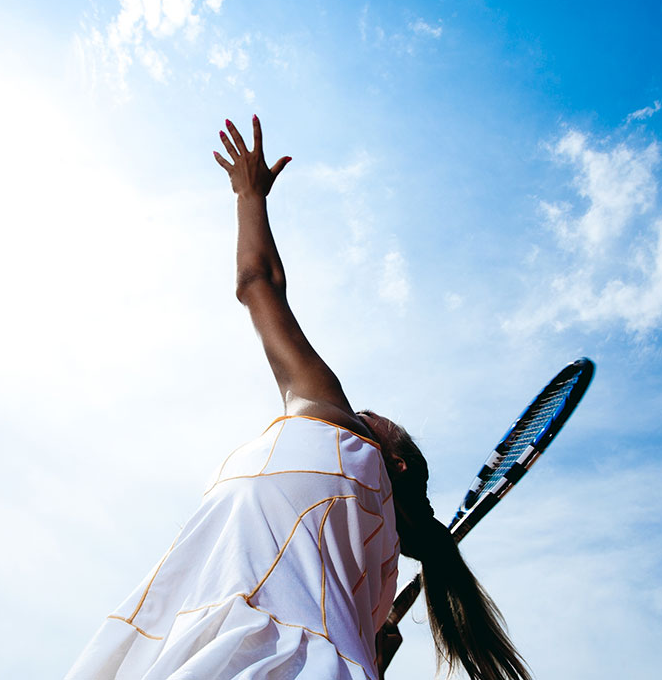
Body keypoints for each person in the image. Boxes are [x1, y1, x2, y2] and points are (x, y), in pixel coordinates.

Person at [64, 116, 531, 680]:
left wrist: (248, 197)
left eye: (381, 420)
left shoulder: (336, 429)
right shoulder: (371, 595)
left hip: (209, 649)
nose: (368, 413)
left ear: (393, 458)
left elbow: (257, 283)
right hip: (223, 649)